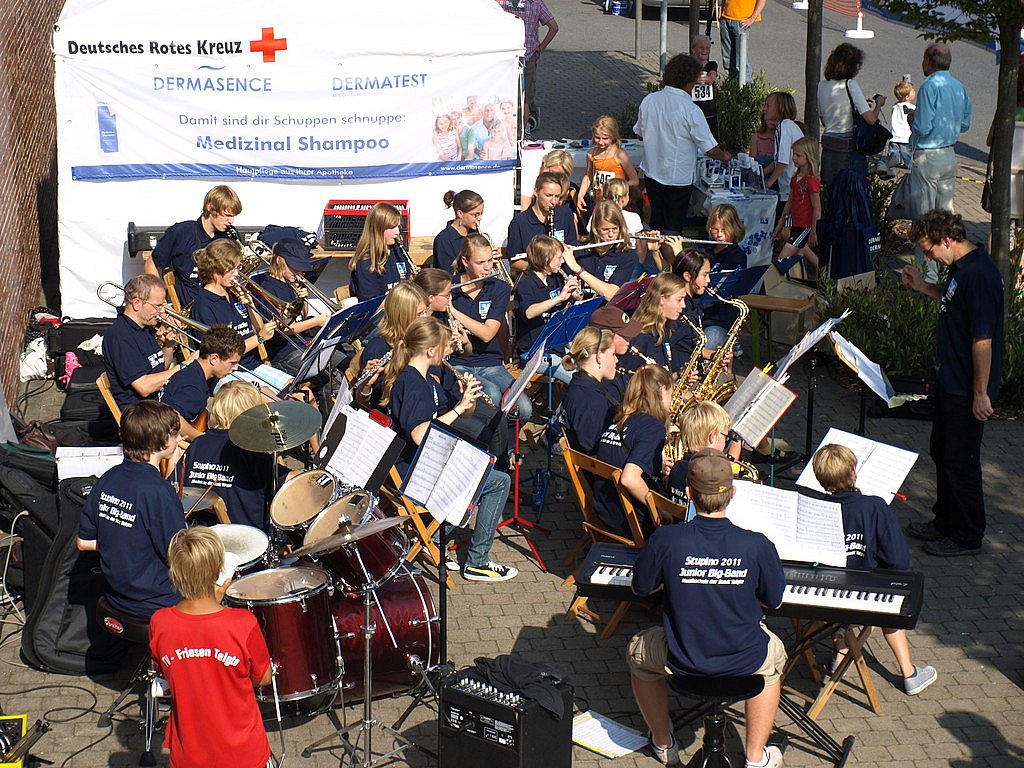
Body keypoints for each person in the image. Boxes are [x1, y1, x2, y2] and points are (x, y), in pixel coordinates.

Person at [629, 448, 786, 768]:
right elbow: (775, 601)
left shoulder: (666, 539)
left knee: (637, 653)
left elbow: (640, 588)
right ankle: (756, 757)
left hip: (681, 659)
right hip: (745, 659)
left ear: (689, 493)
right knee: (774, 660)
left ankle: (663, 743)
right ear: (733, 493)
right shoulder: (757, 544)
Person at [380, 317, 516, 582]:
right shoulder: (412, 384)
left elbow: (455, 417)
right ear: (430, 350)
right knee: (499, 482)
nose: (448, 351)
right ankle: (476, 561)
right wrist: (458, 408)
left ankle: (433, 537)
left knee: (482, 469)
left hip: (430, 461)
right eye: (444, 346)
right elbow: (419, 434)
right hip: (416, 472)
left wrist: (467, 402)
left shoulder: (427, 379)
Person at [901, 210, 1004, 557]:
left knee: (961, 461)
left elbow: (983, 341)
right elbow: (951, 297)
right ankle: (945, 520)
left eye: (929, 250)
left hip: (966, 387)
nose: (929, 257)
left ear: (946, 240)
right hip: (950, 380)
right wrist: (922, 286)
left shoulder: (980, 276)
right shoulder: (961, 268)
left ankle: (967, 535)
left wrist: (981, 393)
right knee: (942, 451)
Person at [811, 444, 938, 696]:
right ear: (853, 471)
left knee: (838, 606)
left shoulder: (816, 508)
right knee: (890, 603)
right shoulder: (874, 507)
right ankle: (909, 674)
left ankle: (839, 656)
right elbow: (898, 560)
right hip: (868, 596)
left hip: (827, 594)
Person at [149, 527, 273, 768]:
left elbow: (168, 673)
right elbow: (263, 678)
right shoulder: (243, 623)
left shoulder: (160, 622)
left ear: (174, 574)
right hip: (244, 755)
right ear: (219, 571)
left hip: (189, 756)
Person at [76, 401, 186, 619]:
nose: (179, 438)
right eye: (174, 434)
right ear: (159, 442)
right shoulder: (158, 492)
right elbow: (180, 555)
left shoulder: (107, 479)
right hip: (158, 600)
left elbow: (83, 542)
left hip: (116, 595)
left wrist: (124, 543)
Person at [633, 54, 732, 234]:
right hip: (678, 177)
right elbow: (710, 149)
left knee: (656, 222)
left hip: (652, 172)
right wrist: (724, 156)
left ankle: (655, 250)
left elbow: (639, 134)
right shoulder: (690, 109)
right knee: (672, 228)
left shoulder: (649, 100)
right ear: (690, 82)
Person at [449, 234, 533, 424]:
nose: (488, 267)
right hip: (458, 363)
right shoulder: (450, 288)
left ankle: (505, 441)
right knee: (492, 396)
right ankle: (487, 440)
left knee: (524, 409)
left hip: (490, 362)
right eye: (481, 262)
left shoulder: (499, 288)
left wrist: (454, 312)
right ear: (465, 261)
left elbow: (487, 334)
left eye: (490, 261)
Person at [189, 239, 290, 395]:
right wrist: (260, 338)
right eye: (232, 270)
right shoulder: (203, 305)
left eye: (238, 268)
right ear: (215, 270)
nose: (237, 274)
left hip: (251, 364)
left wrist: (251, 305)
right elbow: (223, 353)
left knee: (300, 390)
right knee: (268, 396)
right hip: (226, 372)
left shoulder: (233, 293)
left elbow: (258, 329)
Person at [184, 381, 287, 531]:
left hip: (202, 537)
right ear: (252, 411)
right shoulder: (251, 449)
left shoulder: (198, 444)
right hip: (247, 538)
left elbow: (178, 487)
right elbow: (286, 482)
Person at [593, 365, 674, 534]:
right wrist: (662, 511)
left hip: (604, 511)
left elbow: (621, 454)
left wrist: (655, 461)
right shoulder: (653, 428)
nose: (672, 403)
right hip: (630, 520)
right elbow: (629, 478)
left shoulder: (621, 419)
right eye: (671, 395)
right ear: (661, 391)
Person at [146, 185, 242, 308]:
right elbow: (151, 264)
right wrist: (161, 303)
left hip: (222, 302)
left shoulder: (230, 235)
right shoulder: (182, 232)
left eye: (233, 216)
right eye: (227, 215)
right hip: (192, 303)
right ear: (210, 208)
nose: (231, 221)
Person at [102, 274, 188, 408]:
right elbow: (144, 387)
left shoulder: (145, 328)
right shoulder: (120, 336)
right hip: (141, 413)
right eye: (157, 306)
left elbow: (160, 369)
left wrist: (169, 345)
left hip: (159, 402)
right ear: (137, 303)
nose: (162, 311)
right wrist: (184, 366)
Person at [906, 43, 971, 218]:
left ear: (928, 61)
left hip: (928, 155)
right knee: (945, 211)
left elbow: (923, 128)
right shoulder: (959, 87)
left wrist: (912, 120)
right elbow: (964, 125)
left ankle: (926, 237)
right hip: (949, 154)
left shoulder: (929, 86)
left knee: (925, 210)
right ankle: (946, 235)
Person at [250, 238, 331, 375]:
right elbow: (282, 329)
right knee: (328, 370)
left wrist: (304, 299)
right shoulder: (267, 289)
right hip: (284, 352)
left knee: (342, 360)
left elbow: (302, 316)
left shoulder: (291, 283)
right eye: (294, 267)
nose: (299, 272)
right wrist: (316, 321)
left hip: (302, 343)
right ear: (279, 261)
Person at [160, 324, 244, 442]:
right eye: (232, 363)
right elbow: (172, 417)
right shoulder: (193, 387)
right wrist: (204, 441)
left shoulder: (193, 374)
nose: (236, 368)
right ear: (214, 359)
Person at [351, 281, 428, 409]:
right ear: (402, 316)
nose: (426, 318)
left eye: (426, 311)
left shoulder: (423, 339)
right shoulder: (378, 348)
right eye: (419, 314)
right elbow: (362, 403)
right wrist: (365, 386)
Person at [817, 43, 884, 185]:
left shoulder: (821, 86)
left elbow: (824, 119)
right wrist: (879, 104)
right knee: (849, 189)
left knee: (831, 188)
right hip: (847, 147)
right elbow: (871, 120)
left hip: (828, 145)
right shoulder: (850, 84)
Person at [513, 235, 582, 360]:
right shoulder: (526, 284)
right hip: (535, 351)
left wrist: (575, 297)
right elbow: (529, 312)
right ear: (546, 260)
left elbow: (563, 312)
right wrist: (559, 298)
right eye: (559, 258)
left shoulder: (555, 278)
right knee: (572, 371)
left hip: (557, 345)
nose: (562, 262)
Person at [665, 401, 743, 509]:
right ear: (712, 437)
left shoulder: (677, 467)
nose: (725, 441)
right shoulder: (712, 475)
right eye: (725, 436)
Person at [497, 0, 558, 134]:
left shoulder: (501, 2)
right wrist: (540, 48)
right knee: (525, 100)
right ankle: (522, 133)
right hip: (528, 57)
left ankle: (505, 132)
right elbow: (554, 27)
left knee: (504, 96)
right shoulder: (537, 4)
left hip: (505, 56)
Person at [561, 201, 639, 299]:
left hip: (608, 307)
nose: (611, 234)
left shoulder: (627, 255)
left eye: (615, 229)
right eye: (605, 230)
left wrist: (578, 269)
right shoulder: (578, 249)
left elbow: (611, 294)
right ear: (595, 228)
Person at [559, 327, 618, 454]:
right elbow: (592, 449)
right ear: (599, 356)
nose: (616, 360)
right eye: (613, 354)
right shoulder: (591, 401)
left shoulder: (578, 384)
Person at [507, 171, 580, 270]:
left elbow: (573, 247)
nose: (553, 201)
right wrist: (540, 268)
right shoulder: (520, 222)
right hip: (535, 276)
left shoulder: (565, 214)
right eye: (548, 195)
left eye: (557, 196)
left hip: (562, 273)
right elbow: (514, 262)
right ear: (536, 192)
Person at [772, 137, 822, 278]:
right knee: (800, 252)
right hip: (796, 224)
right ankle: (823, 276)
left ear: (809, 157)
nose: (794, 158)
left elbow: (817, 209)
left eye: (798, 155)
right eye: (794, 154)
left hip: (805, 227)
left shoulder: (811, 181)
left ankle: (773, 283)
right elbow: (790, 204)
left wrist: (814, 231)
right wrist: (781, 224)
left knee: (782, 259)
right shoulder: (795, 178)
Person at [630, 272, 697, 374]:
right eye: (679, 300)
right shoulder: (641, 337)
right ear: (662, 299)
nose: (683, 305)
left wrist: (679, 374)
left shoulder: (663, 329)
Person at [348, 203, 415, 301]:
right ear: (378, 229)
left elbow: (406, 281)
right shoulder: (366, 262)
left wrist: (413, 279)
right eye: (392, 227)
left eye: (398, 227)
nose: (397, 232)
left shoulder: (397, 250)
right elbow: (372, 302)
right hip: (386, 310)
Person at [577, 115, 639, 217]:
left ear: (613, 136)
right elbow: (588, 176)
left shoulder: (619, 154)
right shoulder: (591, 154)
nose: (600, 142)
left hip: (616, 204)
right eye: (597, 138)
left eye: (605, 138)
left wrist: (614, 189)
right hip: (598, 203)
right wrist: (580, 195)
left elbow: (634, 180)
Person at [588, 304, 645, 404]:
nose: (630, 339)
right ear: (607, 336)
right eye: (625, 335)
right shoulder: (605, 379)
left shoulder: (617, 363)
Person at [762, 92, 804, 210]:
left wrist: (768, 183)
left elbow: (782, 162)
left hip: (790, 190)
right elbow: (777, 161)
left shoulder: (784, 127)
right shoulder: (788, 126)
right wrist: (761, 175)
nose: (764, 109)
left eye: (768, 105)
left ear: (780, 109)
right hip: (793, 188)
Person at [432, 189, 485, 273]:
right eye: (476, 214)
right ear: (460, 213)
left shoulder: (475, 233)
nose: (480, 218)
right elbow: (448, 274)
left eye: (481, 213)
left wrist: (489, 260)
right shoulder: (444, 240)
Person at [719, 0, 767, 82]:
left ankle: (746, 86)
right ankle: (733, 84)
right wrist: (722, 8)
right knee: (728, 58)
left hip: (742, 20)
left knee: (740, 59)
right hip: (726, 16)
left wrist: (752, 18)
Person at [689, 35, 720, 139]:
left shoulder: (712, 65)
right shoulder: (689, 65)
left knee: (711, 139)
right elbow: (685, 79)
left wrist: (694, 78)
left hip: (709, 111)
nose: (704, 50)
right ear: (693, 49)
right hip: (693, 109)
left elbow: (710, 79)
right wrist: (700, 78)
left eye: (707, 48)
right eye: (701, 48)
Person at [705, 204, 747, 272]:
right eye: (715, 229)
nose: (719, 235)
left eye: (724, 230)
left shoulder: (738, 256)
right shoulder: (702, 249)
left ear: (734, 228)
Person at [887, 79, 916, 172]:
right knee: (907, 154)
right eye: (913, 91)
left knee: (893, 153)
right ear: (907, 97)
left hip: (894, 135)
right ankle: (910, 167)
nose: (915, 92)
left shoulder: (895, 105)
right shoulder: (911, 108)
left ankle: (891, 165)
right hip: (905, 136)